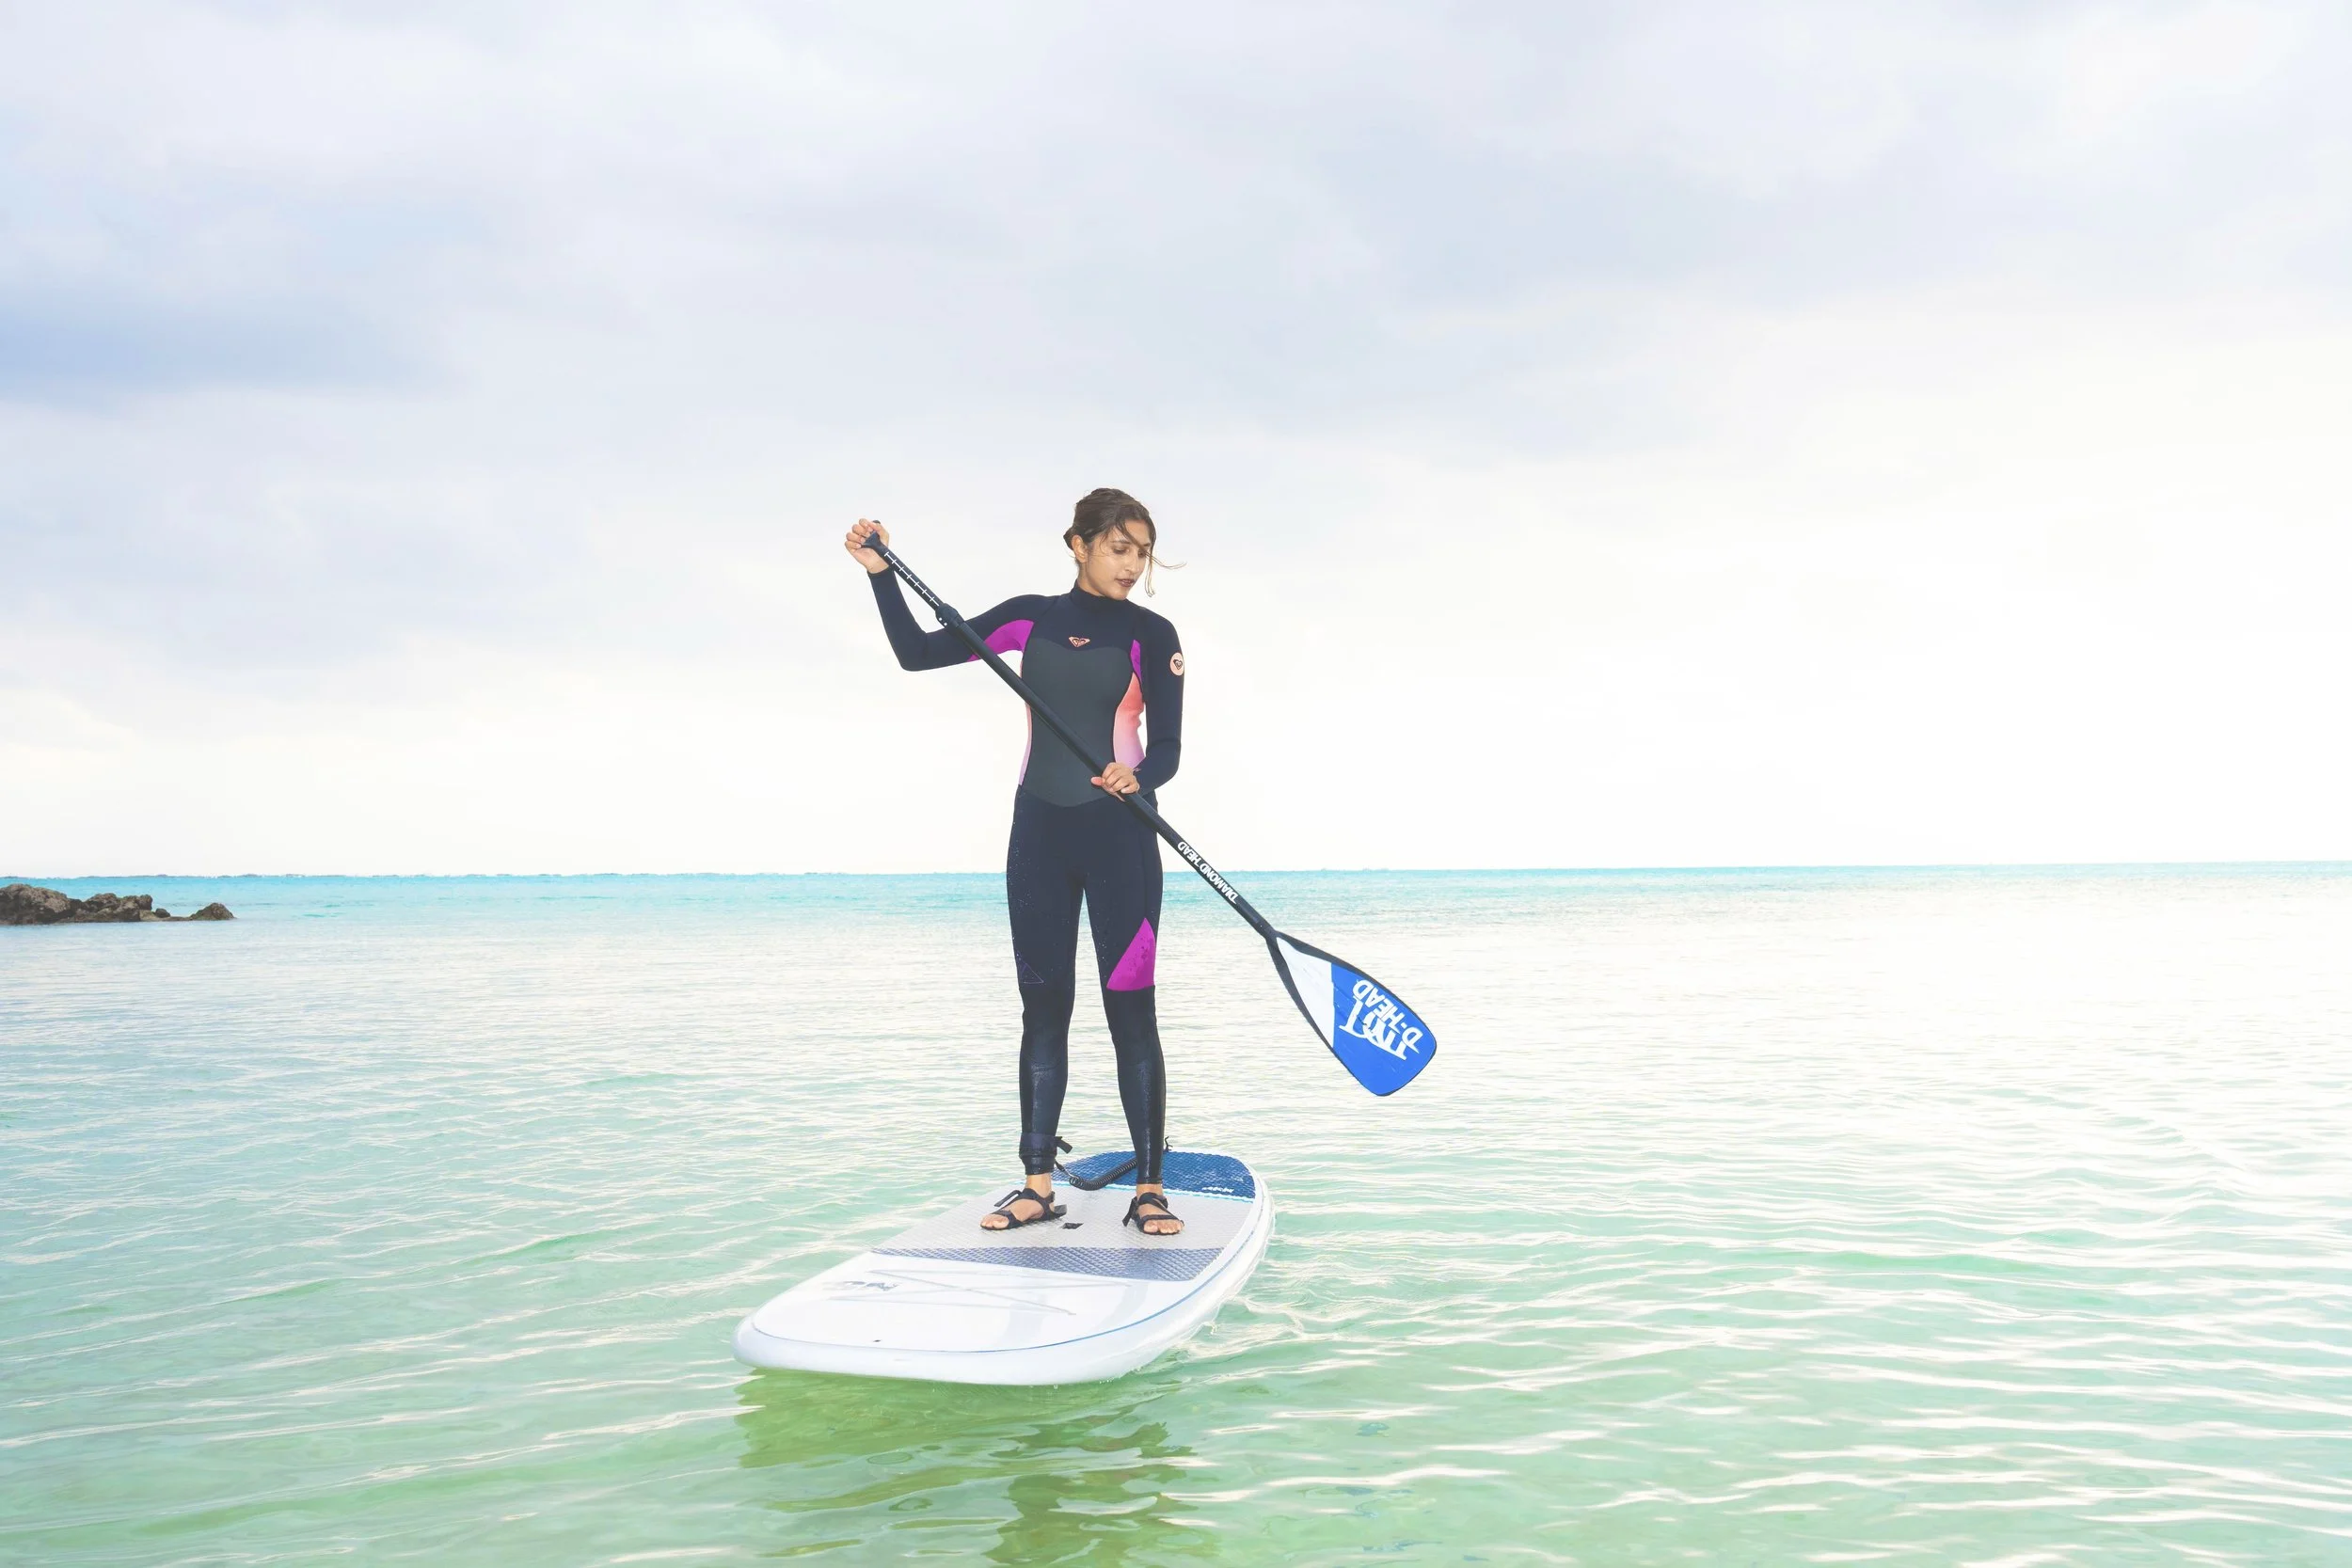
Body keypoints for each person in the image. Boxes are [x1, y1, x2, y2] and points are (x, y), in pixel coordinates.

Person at [845, 490, 1187, 1237]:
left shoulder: (1151, 634)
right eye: (1119, 547)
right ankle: (1036, 1183)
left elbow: (1166, 748)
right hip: (1039, 834)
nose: (1132, 565)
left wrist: (1142, 778)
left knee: (1131, 1007)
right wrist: (880, 574)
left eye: (1142, 552)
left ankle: (1151, 1187)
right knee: (1043, 1006)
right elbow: (916, 654)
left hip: (1122, 835)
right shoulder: (1028, 618)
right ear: (1078, 543)